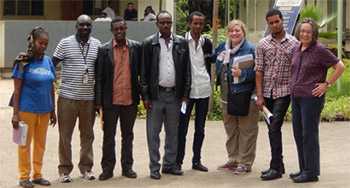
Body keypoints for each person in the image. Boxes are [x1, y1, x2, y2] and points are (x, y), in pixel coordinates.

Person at [289, 18, 345, 183]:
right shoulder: (296, 48)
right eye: (302, 31)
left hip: (310, 99)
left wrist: (327, 84)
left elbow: (340, 66)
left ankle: (311, 172)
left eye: (308, 32)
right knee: (298, 134)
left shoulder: (319, 50)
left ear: (314, 34)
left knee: (309, 135)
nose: (305, 34)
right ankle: (303, 168)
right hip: (296, 96)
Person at [141, 10, 191, 180]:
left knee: (172, 133)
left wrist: (185, 94)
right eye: (162, 22)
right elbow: (144, 73)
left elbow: (187, 71)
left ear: (172, 24)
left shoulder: (181, 42)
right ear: (157, 24)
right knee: (153, 134)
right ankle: (154, 167)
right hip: (156, 96)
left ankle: (169, 165)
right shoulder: (149, 43)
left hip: (175, 96)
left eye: (168, 22)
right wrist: (146, 97)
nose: (166, 25)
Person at [52, 14, 101, 183]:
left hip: (88, 99)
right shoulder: (65, 43)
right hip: (67, 98)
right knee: (65, 135)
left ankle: (86, 168)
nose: (85, 28)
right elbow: (52, 65)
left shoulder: (97, 45)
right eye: (82, 25)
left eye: (88, 25)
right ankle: (64, 170)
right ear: (76, 26)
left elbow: (100, 73)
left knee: (87, 135)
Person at [95, 16, 141, 181]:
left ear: (126, 28)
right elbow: (99, 77)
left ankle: (127, 167)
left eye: (122, 28)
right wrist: (98, 102)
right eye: (116, 29)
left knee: (128, 135)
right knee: (109, 136)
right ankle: (107, 169)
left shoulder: (136, 47)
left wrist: (143, 97)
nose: (119, 31)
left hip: (130, 100)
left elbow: (141, 74)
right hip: (110, 101)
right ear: (112, 31)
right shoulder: (103, 49)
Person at [255, 9, 298, 181]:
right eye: (271, 23)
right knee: (272, 129)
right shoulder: (263, 44)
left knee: (274, 126)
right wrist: (259, 95)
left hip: (284, 91)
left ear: (282, 21)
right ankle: (279, 166)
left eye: (277, 21)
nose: (274, 25)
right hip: (267, 92)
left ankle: (275, 166)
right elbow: (258, 70)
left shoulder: (294, 43)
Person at [11, 27, 56, 188]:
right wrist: (15, 114)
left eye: (46, 44)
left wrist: (53, 110)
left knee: (40, 144)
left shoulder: (48, 61)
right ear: (33, 42)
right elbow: (16, 91)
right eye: (40, 43)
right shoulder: (23, 62)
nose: (43, 46)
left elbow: (51, 86)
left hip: (44, 111)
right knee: (24, 144)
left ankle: (37, 175)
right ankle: (24, 176)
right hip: (26, 110)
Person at [215, 20, 259, 175]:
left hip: (245, 94)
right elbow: (215, 62)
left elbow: (260, 72)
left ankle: (245, 162)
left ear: (243, 32)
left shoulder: (252, 49)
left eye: (238, 31)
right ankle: (233, 159)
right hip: (227, 95)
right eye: (231, 31)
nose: (234, 33)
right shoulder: (222, 48)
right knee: (231, 129)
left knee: (247, 129)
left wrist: (243, 74)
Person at [176, 11, 212, 172]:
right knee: (181, 128)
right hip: (186, 93)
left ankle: (196, 160)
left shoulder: (207, 42)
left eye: (201, 24)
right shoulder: (181, 42)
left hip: (203, 89)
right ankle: (178, 161)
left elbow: (208, 64)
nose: (198, 26)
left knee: (200, 128)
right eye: (195, 23)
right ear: (189, 24)